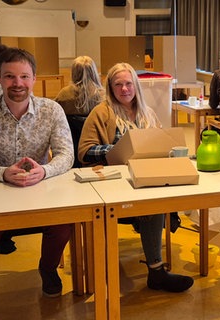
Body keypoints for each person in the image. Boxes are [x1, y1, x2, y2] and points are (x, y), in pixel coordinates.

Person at [0, 47, 74, 320]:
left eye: (24, 76)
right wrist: (2, 173)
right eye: (10, 76)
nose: (18, 83)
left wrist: (44, 171)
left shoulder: (52, 110)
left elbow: (66, 154)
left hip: (39, 192)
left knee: (63, 223)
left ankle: (47, 269)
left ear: (34, 78)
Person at [78, 62, 194, 293]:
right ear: (110, 87)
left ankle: (157, 264)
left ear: (136, 86)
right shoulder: (101, 113)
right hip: (114, 181)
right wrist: (121, 148)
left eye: (128, 83)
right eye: (118, 84)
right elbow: (84, 151)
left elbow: (160, 142)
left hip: (145, 178)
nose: (124, 89)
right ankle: (157, 271)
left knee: (164, 196)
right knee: (154, 204)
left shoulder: (147, 112)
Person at [54, 55, 105, 168]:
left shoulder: (63, 95)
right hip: (96, 154)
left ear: (74, 72)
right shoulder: (103, 97)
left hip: (71, 149)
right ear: (94, 72)